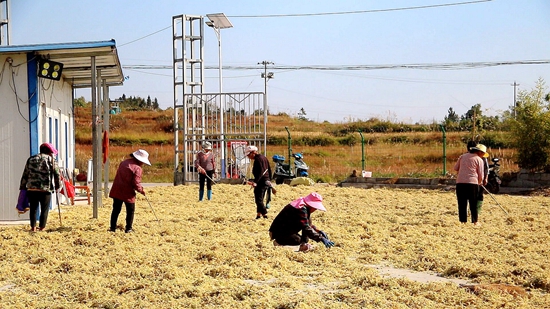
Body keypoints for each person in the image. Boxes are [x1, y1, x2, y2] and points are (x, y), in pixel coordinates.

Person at [269, 192, 335, 252]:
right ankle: (278, 242)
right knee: (297, 240)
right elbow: (306, 227)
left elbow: (307, 224)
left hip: (286, 229)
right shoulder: (301, 209)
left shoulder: (303, 205)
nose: (315, 209)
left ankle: (303, 245)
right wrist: (321, 238)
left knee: (307, 226)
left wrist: (318, 231)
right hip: (278, 232)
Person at [19, 143, 61, 232]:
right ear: (48, 151)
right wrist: (58, 186)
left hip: (32, 188)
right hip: (45, 189)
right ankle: (42, 227)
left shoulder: (31, 159)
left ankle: (33, 227)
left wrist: (23, 186)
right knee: (44, 209)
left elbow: (25, 174)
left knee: (33, 208)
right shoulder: (52, 160)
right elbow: (57, 174)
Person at [109, 149, 151, 233]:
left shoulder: (124, 163)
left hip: (117, 189)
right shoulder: (137, 168)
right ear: (140, 160)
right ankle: (128, 228)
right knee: (130, 210)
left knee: (116, 209)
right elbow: (136, 183)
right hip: (127, 192)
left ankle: (112, 228)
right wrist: (141, 190)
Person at [454, 143, 486, 226]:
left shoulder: (462, 156)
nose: (483, 155)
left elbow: (456, 168)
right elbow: (481, 174)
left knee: (462, 203)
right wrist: (479, 182)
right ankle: (475, 221)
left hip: (460, 183)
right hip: (472, 183)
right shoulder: (479, 160)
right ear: (479, 152)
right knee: (473, 203)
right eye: (483, 153)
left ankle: (463, 221)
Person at [245, 145, 272, 219]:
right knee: (260, 198)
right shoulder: (263, 158)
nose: (248, 157)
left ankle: (265, 214)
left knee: (258, 199)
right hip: (265, 180)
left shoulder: (258, 159)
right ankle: (258, 214)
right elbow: (269, 169)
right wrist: (270, 179)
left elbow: (261, 172)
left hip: (261, 181)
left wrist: (255, 182)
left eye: (248, 155)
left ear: (253, 153)